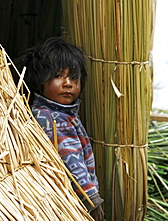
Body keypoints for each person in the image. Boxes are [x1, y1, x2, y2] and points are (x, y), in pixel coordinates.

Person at [16, 37, 104, 220]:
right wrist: (91, 201)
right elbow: (71, 162)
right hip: (72, 198)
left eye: (73, 77)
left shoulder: (57, 113)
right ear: (39, 81)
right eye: (58, 76)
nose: (68, 83)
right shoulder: (54, 120)